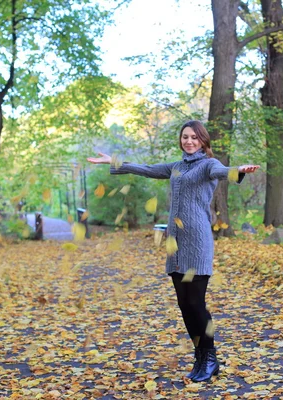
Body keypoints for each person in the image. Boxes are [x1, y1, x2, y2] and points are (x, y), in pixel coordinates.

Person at [87, 120, 260, 383]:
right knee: (184, 304)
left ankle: (210, 358)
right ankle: (200, 357)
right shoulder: (176, 167)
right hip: (176, 243)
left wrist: (239, 170)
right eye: (185, 137)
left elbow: (224, 171)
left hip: (198, 241)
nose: (188, 141)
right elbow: (145, 169)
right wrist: (114, 161)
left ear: (203, 141)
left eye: (194, 137)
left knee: (196, 303)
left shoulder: (208, 165)